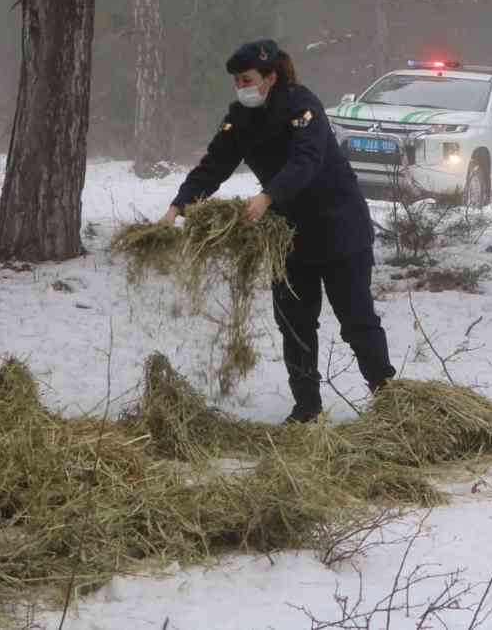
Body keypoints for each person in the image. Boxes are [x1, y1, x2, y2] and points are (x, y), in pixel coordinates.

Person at [159, 39, 396, 423]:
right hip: (288, 236)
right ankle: (307, 408)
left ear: (271, 76)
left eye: (247, 79)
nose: (241, 87)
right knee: (294, 323)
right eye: (236, 81)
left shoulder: (303, 106)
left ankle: (389, 401)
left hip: (339, 229)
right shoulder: (239, 118)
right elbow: (213, 166)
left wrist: (268, 196)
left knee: (356, 320)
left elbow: (309, 159)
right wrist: (178, 206)